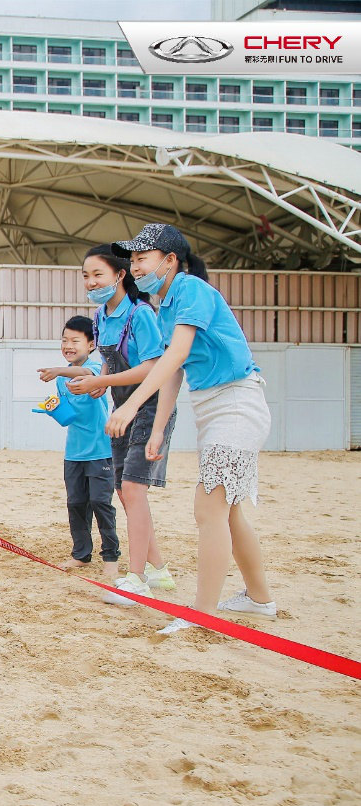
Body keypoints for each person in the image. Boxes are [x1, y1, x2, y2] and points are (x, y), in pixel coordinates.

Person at [107, 223, 274, 635]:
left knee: (208, 507)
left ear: (170, 260)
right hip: (214, 409)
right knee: (228, 510)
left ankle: (202, 613)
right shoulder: (165, 305)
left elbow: (177, 353)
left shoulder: (191, 289)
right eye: (131, 260)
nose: (135, 267)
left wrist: (130, 405)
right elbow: (174, 371)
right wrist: (159, 428)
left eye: (141, 259)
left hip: (237, 404)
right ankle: (259, 598)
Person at [67, 245, 177, 605]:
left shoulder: (141, 314)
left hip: (148, 408)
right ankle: (158, 569)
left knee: (132, 490)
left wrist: (102, 383)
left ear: (120, 275)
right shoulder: (100, 317)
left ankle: (137, 578)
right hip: (120, 408)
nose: (90, 281)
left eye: (98, 274)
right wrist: (101, 385)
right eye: (85, 275)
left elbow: (152, 367)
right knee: (127, 492)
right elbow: (110, 367)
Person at [38, 316, 119, 579]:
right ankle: (81, 554)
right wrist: (55, 409)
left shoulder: (96, 367)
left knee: (100, 502)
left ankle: (110, 557)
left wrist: (60, 371)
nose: (68, 345)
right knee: (76, 503)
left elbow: (87, 374)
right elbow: (70, 416)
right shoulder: (62, 379)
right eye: (64, 340)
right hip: (74, 451)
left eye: (75, 340)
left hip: (101, 450)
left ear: (91, 344)